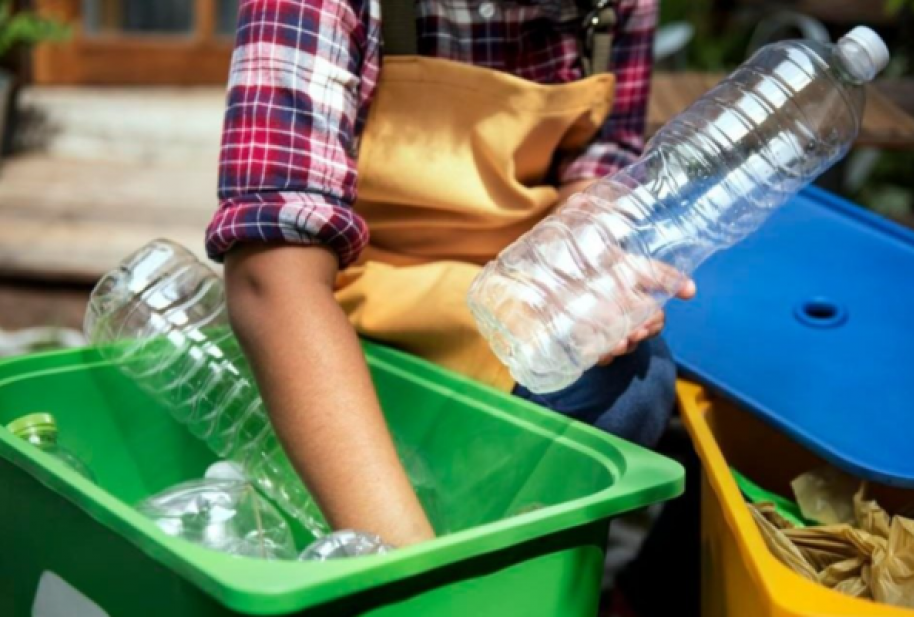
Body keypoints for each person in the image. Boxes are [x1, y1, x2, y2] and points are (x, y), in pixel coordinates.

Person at [206, 0, 694, 547]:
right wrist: (409, 570)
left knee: (633, 380)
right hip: (348, 307)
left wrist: (582, 268)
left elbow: (601, 160)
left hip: (507, 297)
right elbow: (270, 277)